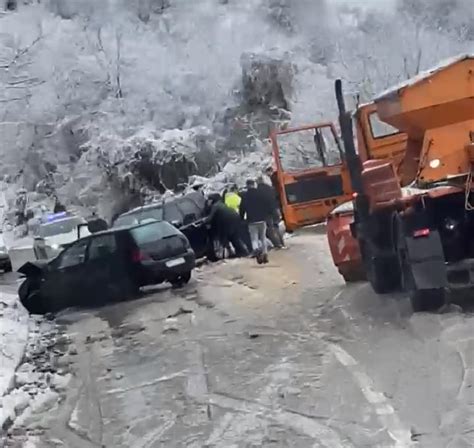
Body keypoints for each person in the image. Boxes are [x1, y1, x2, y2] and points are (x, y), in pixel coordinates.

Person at [239, 179, 274, 263]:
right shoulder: (261, 193)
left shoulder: (245, 195)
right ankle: (265, 254)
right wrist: (268, 214)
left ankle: (257, 251)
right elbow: (267, 203)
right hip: (262, 219)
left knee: (254, 239)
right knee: (263, 237)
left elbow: (242, 208)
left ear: (247, 185)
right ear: (254, 184)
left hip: (251, 221)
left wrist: (241, 218)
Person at [257, 176, 285, 249]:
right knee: (276, 227)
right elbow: (276, 197)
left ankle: (277, 244)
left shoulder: (258, 190)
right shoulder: (270, 188)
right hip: (274, 210)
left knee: (270, 229)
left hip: (266, 212)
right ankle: (282, 243)